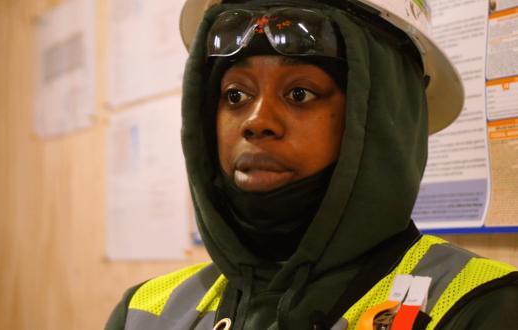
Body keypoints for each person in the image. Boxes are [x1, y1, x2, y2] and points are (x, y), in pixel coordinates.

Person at [105, 0, 518, 329]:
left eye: (300, 93)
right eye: (235, 95)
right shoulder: (143, 313)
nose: (256, 122)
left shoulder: (478, 308)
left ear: (379, 115)